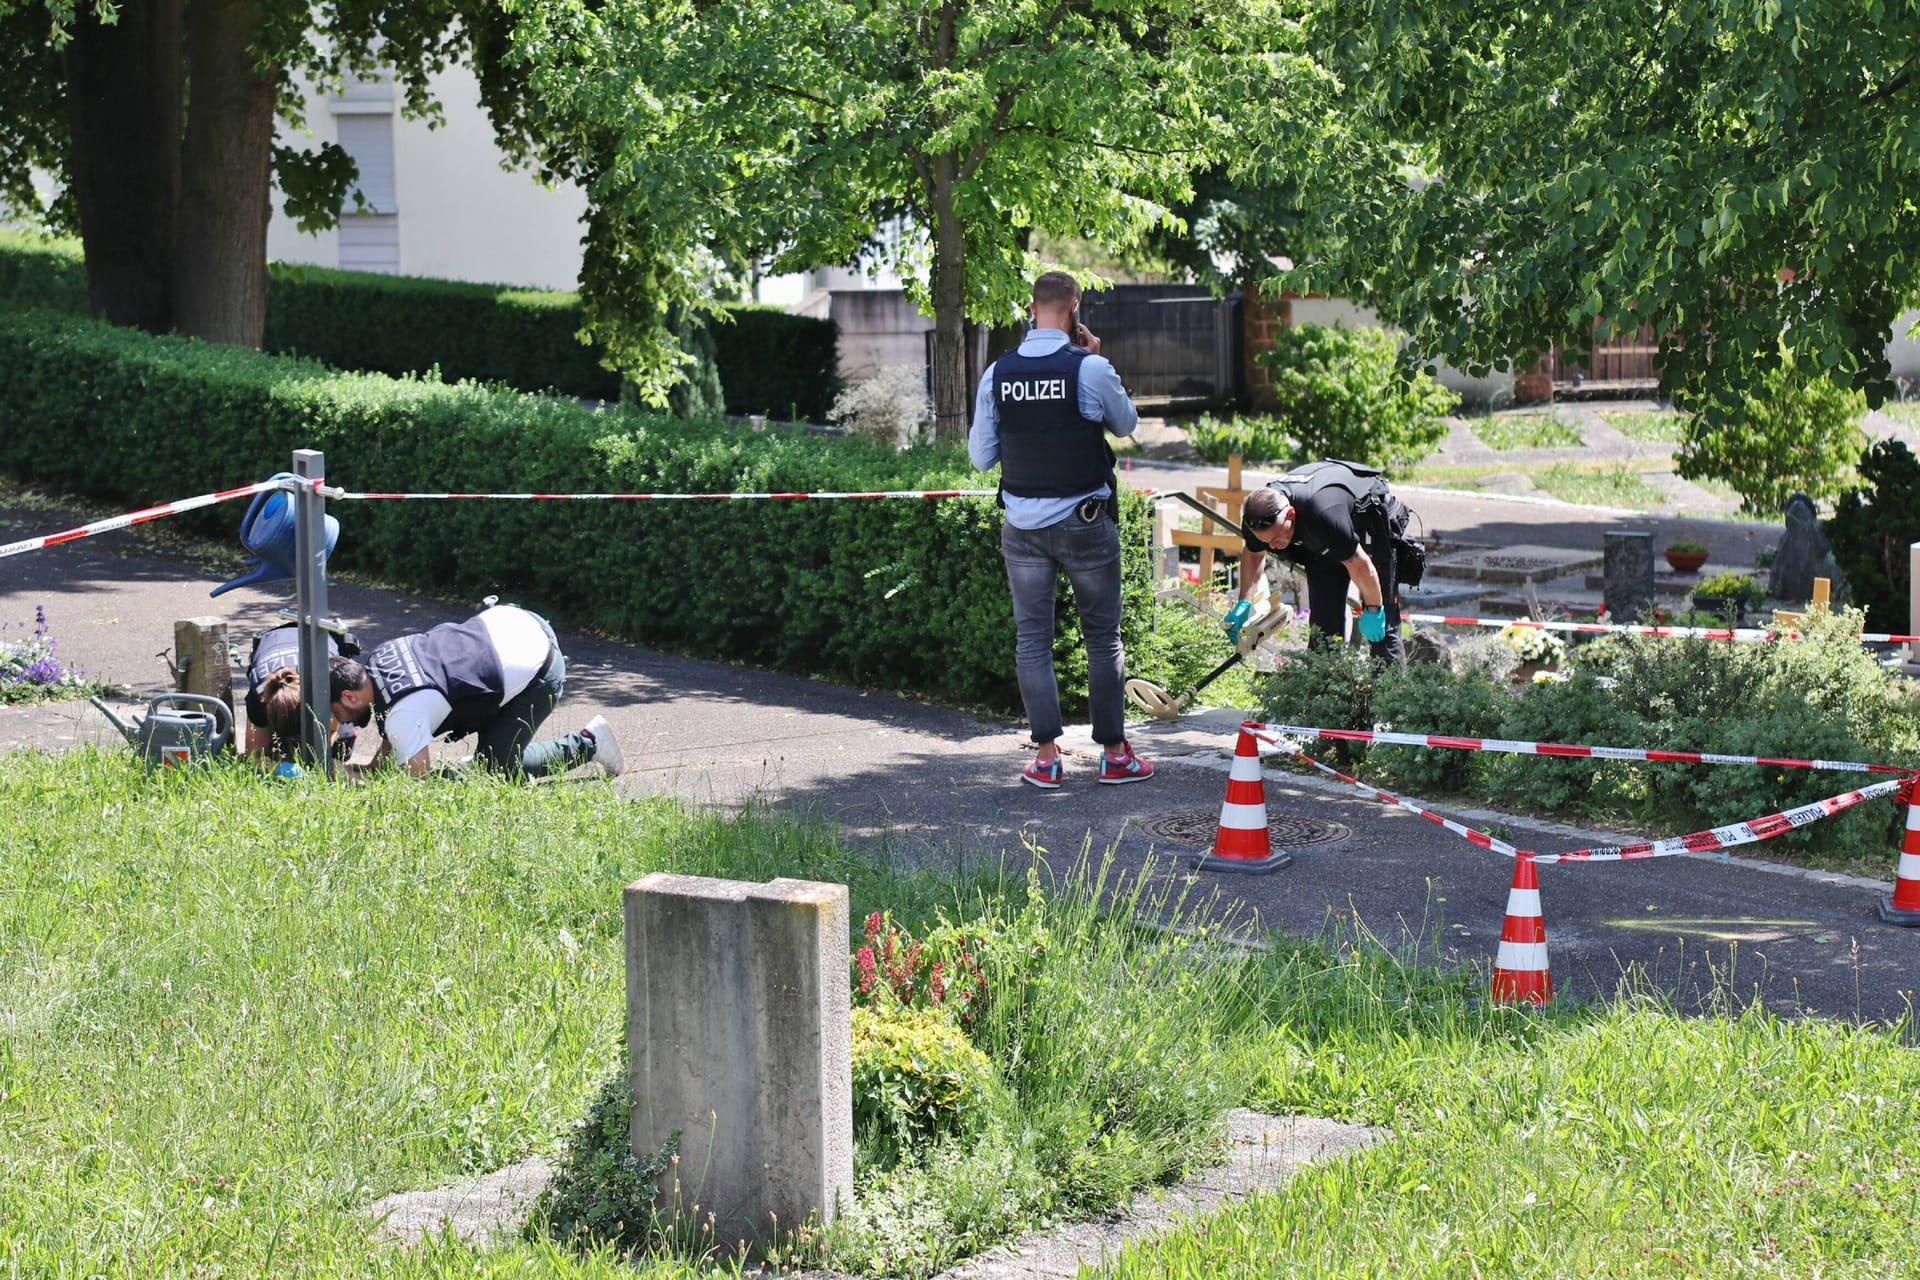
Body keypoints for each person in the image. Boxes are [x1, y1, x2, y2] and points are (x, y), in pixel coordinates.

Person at [969, 270, 1153, 789]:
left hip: (1022, 527)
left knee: (1032, 641)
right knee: (1102, 639)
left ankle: (1047, 759)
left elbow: (981, 458)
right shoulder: (1089, 368)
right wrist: (1098, 359)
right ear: (1074, 307)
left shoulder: (996, 374)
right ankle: (1115, 756)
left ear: (1031, 307)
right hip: (1084, 525)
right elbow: (1127, 425)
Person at [309, 603, 622, 780]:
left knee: (495, 773)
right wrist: (373, 771)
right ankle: (493, 752)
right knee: (490, 757)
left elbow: (419, 781)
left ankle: (590, 743)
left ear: (349, 697)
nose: (343, 722)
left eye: (337, 714)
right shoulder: (380, 659)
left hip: (540, 669)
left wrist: (369, 789)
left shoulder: (402, 713)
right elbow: (398, 728)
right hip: (518, 621)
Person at [1226, 459, 1415, 663]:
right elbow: (1254, 553)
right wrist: (1245, 602)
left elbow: (1360, 566)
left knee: (1383, 632)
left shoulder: (1324, 515)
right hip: (1321, 539)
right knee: (1323, 634)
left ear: (1290, 514)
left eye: (1277, 537)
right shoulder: (1257, 519)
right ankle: (1325, 687)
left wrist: (1374, 610)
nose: (1273, 546)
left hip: (1367, 523)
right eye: (1267, 541)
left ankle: (1389, 691)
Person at [245, 622, 359, 763]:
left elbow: (332, 731)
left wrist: (317, 763)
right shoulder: (260, 695)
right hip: (274, 639)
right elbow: (254, 756)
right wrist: (272, 766)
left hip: (317, 633)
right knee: (274, 749)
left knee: (341, 747)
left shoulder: (328, 686)